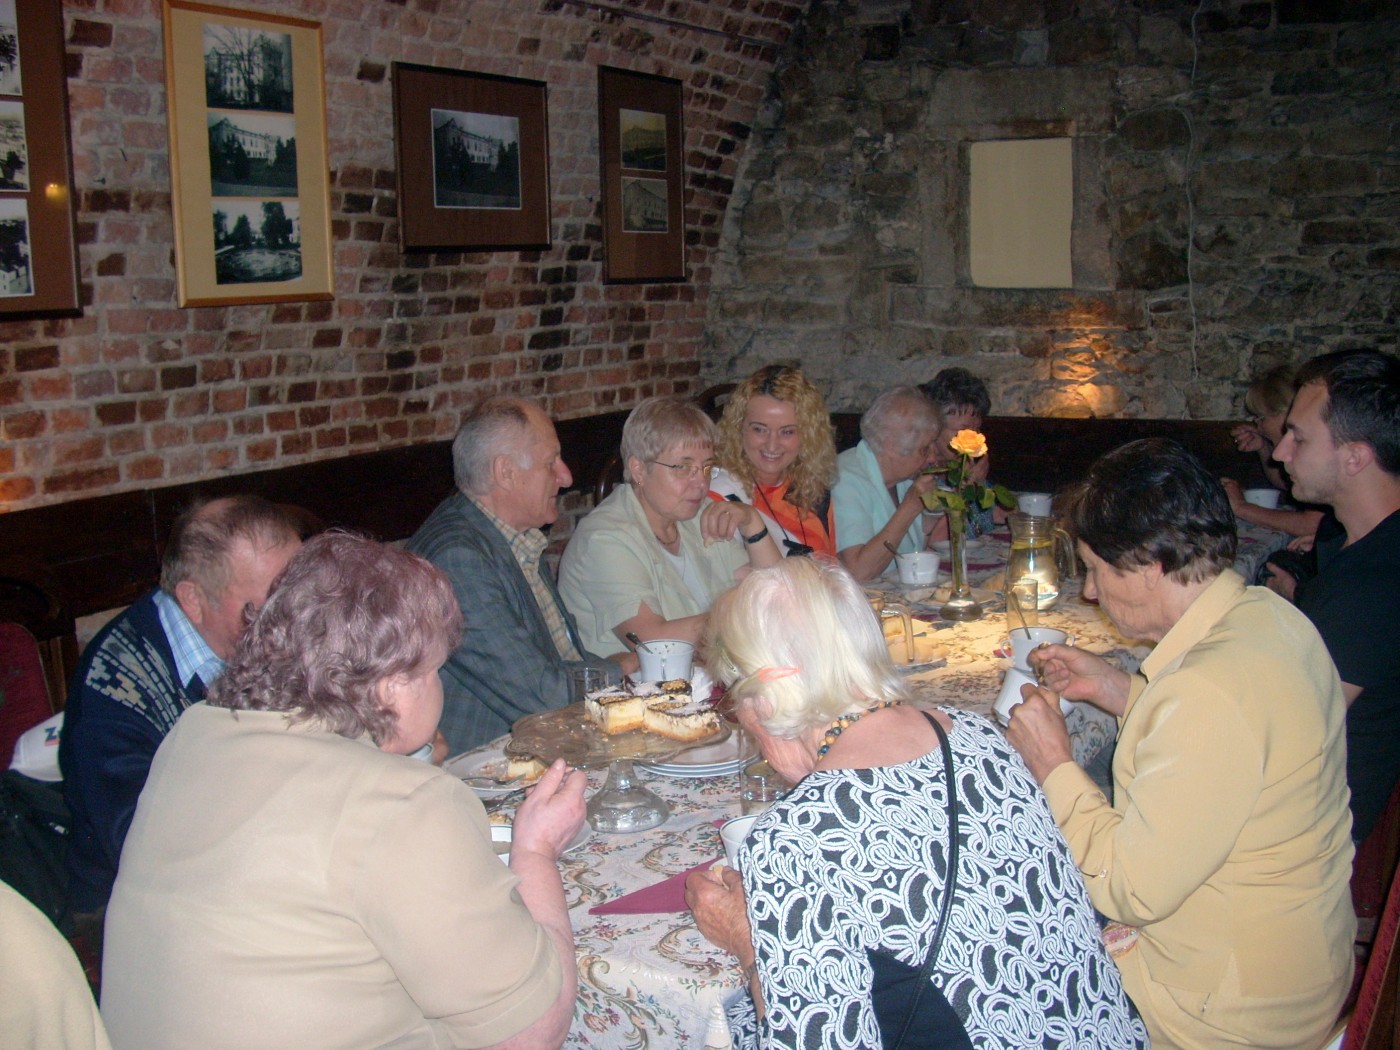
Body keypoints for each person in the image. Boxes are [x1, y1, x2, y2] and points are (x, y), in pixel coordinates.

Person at [101, 533, 585, 1050]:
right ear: (391, 685)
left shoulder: (194, 735)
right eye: (435, 670)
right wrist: (534, 853)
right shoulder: (403, 804)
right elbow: (532, 1034)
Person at [684, 556, 1148, 1049]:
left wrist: (749, 944)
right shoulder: (980, 736)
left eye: (736, 697)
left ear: (768, 695)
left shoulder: (796, 839)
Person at [1005, 438, 1354, 1049]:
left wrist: (1054, 763)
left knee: (995, 963)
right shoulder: (1267, 616)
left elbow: (1129, 889)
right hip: (1294, 964)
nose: (1090, 592)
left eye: (1096, 569)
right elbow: (1225, 753)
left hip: (1222, 1011)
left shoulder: (1208, 691)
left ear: (1149, 566)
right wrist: (1117, 688)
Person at [59, 495, 300, 941]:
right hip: (135, 912)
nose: (294, 618)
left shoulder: (268, 638)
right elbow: (142, 849)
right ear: (193, 599)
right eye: (269, 603)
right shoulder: (115, 686)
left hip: (256, 873)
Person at [407, 398, 634, 753]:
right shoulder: (459, 560)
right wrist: (627, 665)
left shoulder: (512, 535)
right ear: (506, 472)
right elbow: (543, 697)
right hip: (485, 762)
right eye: (551, 462)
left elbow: (560, 660)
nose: (566, 477)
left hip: (543, 742)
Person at [1271, 349, 1400, 842]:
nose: (1280, 453)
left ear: (1355, 457)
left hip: (1311, 834)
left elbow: (1279, 741)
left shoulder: (1372, 585)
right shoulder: (1349, 541)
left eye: (1298, 437)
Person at [558, 395, 781, 657]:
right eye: (683, 467)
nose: (701, 483)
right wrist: (748, 613)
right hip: (640, 681)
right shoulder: (604, 539)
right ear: (639, 470)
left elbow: (778, 593)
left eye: (707, 467)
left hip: (709, 672)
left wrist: (752, 523)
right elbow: (651, 641)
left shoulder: (700, 514)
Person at [708, 365, 838, 558]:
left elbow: (832, 566)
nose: (772, 445)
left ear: (808, 435)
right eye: (760, 429)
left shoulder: (814, 492)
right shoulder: (719, 493)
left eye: (787, 432)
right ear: (738, 428)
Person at [831, 386, 942, 583]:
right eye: (925, 449)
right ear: (891, 447)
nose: (933, 457)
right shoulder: (845, 480)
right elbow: (857, 572)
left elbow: (912, 554)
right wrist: (909, 508)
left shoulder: (902, 478)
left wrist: (930, 518)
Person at [1220, 364, 1323, 538]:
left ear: (1286, 412)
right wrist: (1263, 448)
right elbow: (1284, 483)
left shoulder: (1318, 451)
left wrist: (1241, 507)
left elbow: (1312, 525)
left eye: (1261, 418)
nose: (1259, 426)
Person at [920, 366, 1005, 537]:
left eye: (977, 429)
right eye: (962, 429)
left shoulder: (966, 467)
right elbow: (938, 542)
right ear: (933, 427)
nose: (972, 437)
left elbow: (1003, 516)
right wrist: (968, 487)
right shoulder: (921, 477)